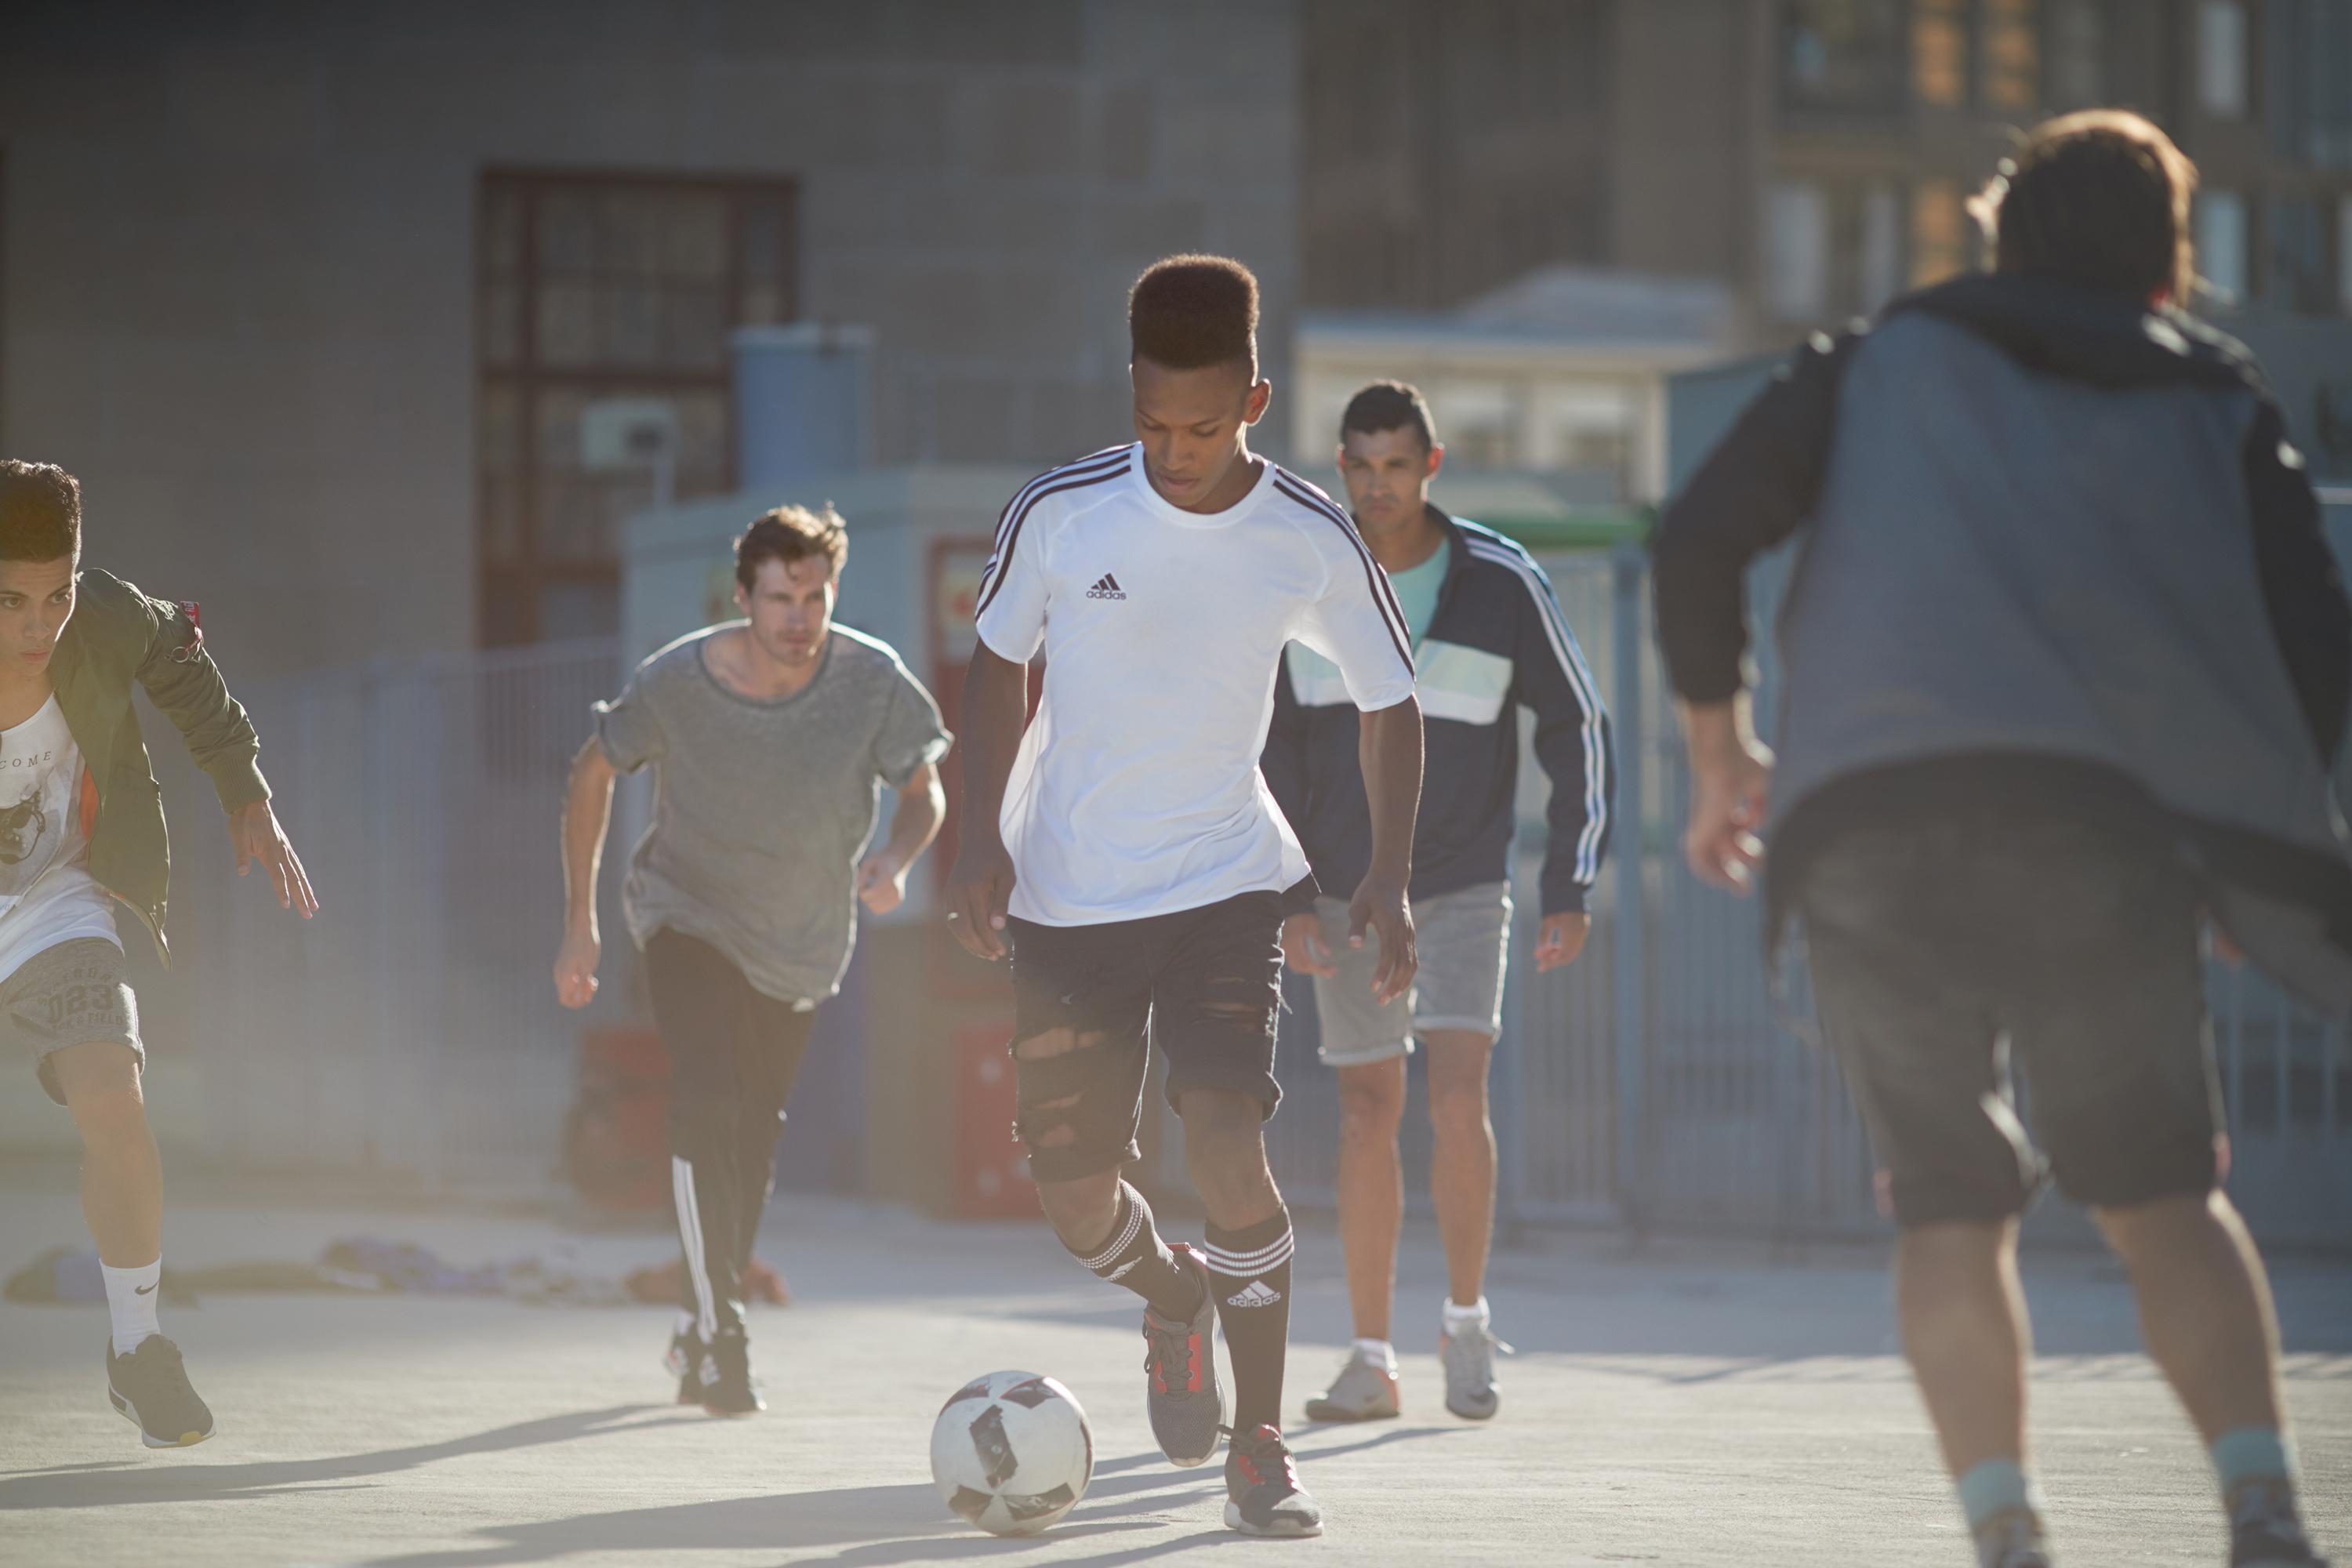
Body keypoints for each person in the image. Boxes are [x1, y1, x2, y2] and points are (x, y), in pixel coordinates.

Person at [1653, 111, 2344, 1568]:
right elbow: (2316, 658)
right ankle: (2262, 1509)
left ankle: (2007, 1531)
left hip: (1867, 829)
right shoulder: (2214, 394)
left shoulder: (1875, 358)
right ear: (2168, 265)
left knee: (1949, 1204)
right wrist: (2253, 845)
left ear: (2000, 243)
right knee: (2162, 1192)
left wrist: (1720, 761)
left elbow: (1700, 533)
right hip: (2102, 834)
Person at [946, 254, 1424, 1538]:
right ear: (1133, 394)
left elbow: (1391, 701)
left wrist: (1385, 870)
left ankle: (1258, 1445)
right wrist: (981, 841)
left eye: (1204, 428)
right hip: (1067, 899)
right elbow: (995, 666)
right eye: (1155, 422)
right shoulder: (1064, 511)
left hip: (1223, 884)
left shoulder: (1305, 534)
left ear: (1254, 400)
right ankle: (1173, 1299)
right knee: (1074, 1196)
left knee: (1227, 1140)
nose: (1175, 450)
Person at [1262, 380, 1612, 1424]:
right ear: (1341, 470)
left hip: (1461, 886)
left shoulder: (1501, 582)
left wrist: (1568, 882)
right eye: (1360, 467)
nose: (1378, 487)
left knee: (1458, 1099)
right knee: (1369, 1114)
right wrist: (1287, 893)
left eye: (1397, 466)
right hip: (1342, 899)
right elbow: (1264, 749)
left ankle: (1465, 1323)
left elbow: (1577, 724)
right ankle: (1371, 1359)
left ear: (1432, 465)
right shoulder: (1311, 585)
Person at [555, 505, 949, 1416]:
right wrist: (581, 923)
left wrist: (898, 854)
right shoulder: (680, 680)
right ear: (743, 597)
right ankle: (721, 1323)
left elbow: (924, 785)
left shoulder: (870, 679)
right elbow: (591, 772)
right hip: (685, 912)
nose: (799, 617)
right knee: (705, 1095)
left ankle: (704, 1314)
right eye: (780, 598)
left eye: (815, 596)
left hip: (801, 939)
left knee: (756, 1132)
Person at [0, 459, 318, 1448]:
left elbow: (183, 669)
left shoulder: (103, 614)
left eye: (57, 594)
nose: (38, 626)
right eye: (11, 599)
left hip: (54, 898)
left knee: (114, 1096)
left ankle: (137, 1348)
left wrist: (246, 791)